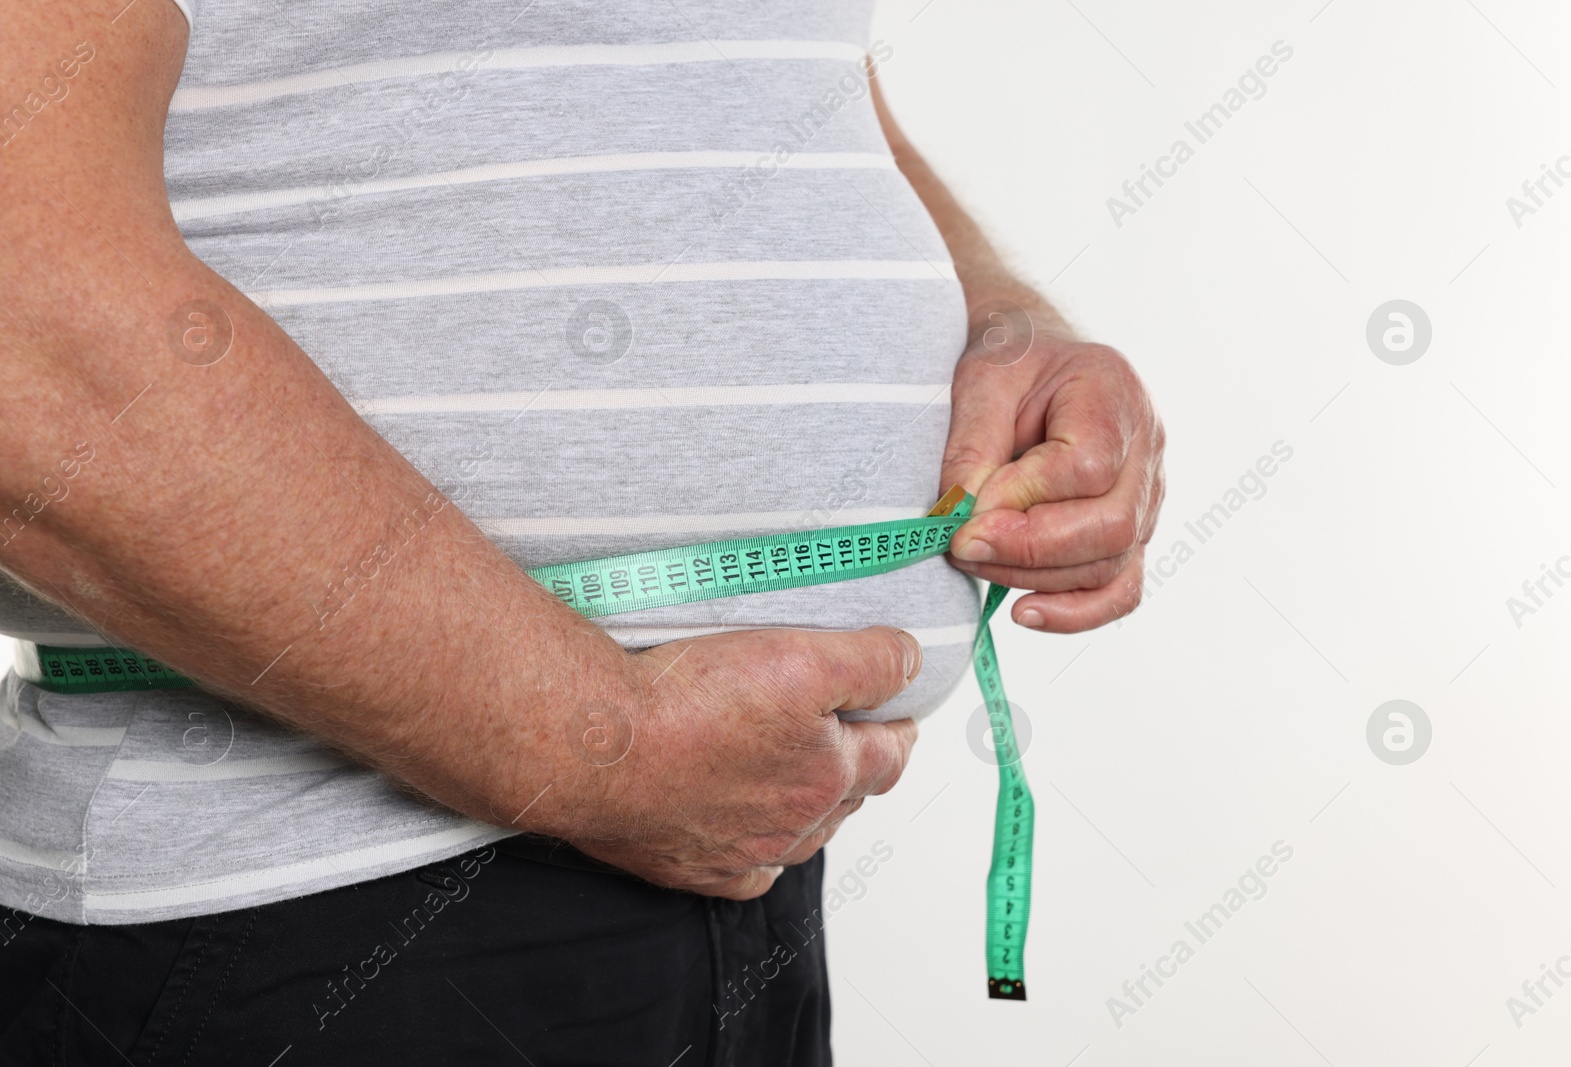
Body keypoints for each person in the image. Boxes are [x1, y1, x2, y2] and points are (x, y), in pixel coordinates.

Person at [0, 0, 1164, 1062]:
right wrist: (587, 740)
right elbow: (23, 313)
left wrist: (997, 320)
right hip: (312, 905)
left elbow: (748, 74)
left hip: (730, 871)